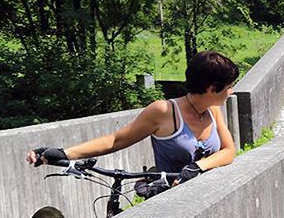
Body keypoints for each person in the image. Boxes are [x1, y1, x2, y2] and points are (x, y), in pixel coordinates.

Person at [27, 51, 239, 189]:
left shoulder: (213, 110)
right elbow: (116, 140)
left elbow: (229, 151)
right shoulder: (163, 111)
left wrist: (198, 166)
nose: (231, 91)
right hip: (171, 200)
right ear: (212, 88)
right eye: (229, 86)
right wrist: (64, 153)